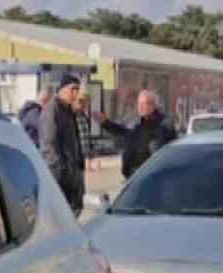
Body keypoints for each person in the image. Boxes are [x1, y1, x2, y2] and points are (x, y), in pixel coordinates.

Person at [97, 89, 178, 179]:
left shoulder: (164, 123)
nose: (140, 107)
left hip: (152, 175)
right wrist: (106, 123)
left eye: (144, 104)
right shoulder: (137, 121)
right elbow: (124, 131)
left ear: (153, 105)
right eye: (139, 104)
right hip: (132, 174)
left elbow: (171, 148)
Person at [38, 73, 87, 216]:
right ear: (62, 89)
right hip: (61, 175)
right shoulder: (52, 110)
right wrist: (61, 172)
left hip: (73, 173)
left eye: (77, 89)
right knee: (61, 215)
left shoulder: (68, 110)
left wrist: (79, 166)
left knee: (75, 209)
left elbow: (75, 140)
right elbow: (49, 144)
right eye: (73, 89)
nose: (76, 93)